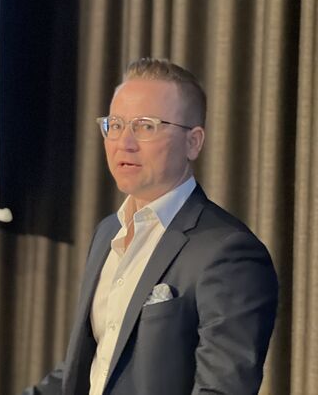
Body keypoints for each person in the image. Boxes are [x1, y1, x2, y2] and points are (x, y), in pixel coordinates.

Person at [23, 58, 278, 395]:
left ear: (193, 142)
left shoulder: (229, 252)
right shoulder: (107, 232)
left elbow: (222, 389)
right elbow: (90, 368)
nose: (124, 142)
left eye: (145, 126)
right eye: (115, 125)